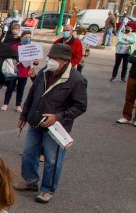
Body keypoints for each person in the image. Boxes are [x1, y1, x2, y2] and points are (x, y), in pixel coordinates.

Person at [17, 42, 88, 204]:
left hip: (55, 128)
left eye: (55, 58)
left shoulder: (76, 79)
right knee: (28, 154)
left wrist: (58, 117)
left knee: (52, 160)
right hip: (36, 122)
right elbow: (32, 94)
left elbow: (80, 106)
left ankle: (47, 189)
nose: (50, 61)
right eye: (50, 57)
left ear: (64, 61)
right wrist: (24, 116)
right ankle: (30, 181)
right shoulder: (45, 71)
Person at [1, 30, 36, 112]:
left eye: (29, 37)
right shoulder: (15, 46)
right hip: (14, 70)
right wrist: (17, 60)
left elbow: (34, 60)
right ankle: (5, 103)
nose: (27, 39)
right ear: (21, 37)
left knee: (21, 89)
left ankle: (18, 105)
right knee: (10, 87)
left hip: (25, 72)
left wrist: (36, 62)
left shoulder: (31, 48)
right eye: (26, 37)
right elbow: (10, 57)